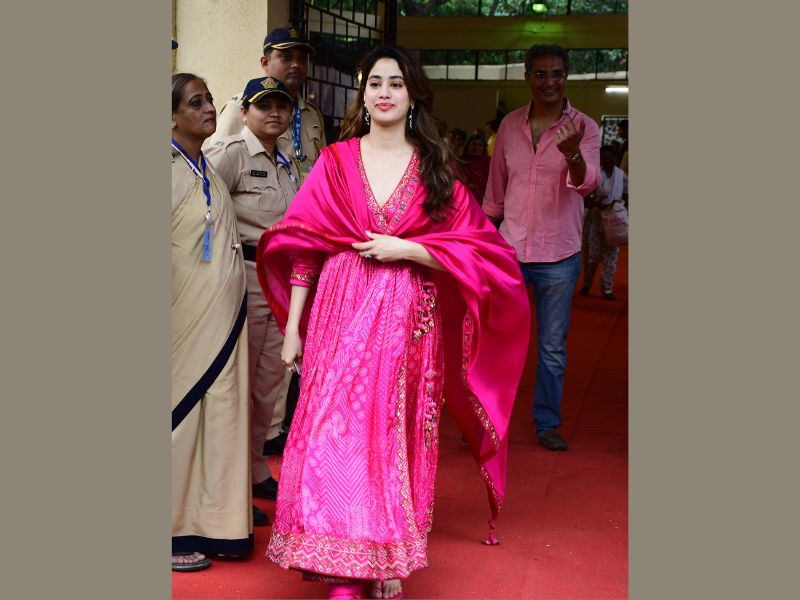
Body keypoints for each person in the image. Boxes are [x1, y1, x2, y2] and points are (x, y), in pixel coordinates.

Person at [256, 45, 530, 600]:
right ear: (364, 95)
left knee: (388, 435)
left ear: (413, 97)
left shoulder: (434, 169)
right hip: (339, 308)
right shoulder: (335, 160)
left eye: (396, 83)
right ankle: (342, 565)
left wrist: (410, 249)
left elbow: (482, 253)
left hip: (407, 317)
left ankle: (385, 555)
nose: (384, 92)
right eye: (376, 83)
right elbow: (307, 244)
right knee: (333, 429)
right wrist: (293, 329)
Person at [483, 44, 600, 452]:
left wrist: (573, 155)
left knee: (551, 347)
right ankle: (487, 418)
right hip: (510, 249)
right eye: (540, 74)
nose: (549, 81)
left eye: (557, 74)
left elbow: (587, 184)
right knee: (497, 340)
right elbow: (495, 190)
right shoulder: (509, 126)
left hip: (558, 255)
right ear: (527, 78)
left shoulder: (584, 127)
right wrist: (483, 241)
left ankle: (547, 422)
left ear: (566, 77)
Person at [206, 76, 301, 527]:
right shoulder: (230, 155)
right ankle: (228, 486)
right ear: (244, 112)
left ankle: (255, 467)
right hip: (243, 276)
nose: (274, 113)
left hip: (280, 281)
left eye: (281, 105)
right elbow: (200, 211)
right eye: (264, 106)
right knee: (238, 384)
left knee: (269, 383)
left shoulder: (288, 160)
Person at [171, 73, 252, 572]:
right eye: (195, 102)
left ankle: (216, 524)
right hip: (181, 322)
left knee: (221, 414)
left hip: (224, 317)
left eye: (208, 100)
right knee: (180, 418)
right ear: (170, 117)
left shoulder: (207, 168)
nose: (208, 108)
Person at [209, 26, 326, 183]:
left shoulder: (312, 114)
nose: (296, 64)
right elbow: (215, 174)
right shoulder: (240, 107)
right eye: (286, 57)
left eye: (302, 58)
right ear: (265, 63)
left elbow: (322, 169)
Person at [580, 145, 625, 300]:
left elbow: (627, 195)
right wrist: (596, 203)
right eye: (603, 158)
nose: (606, 161)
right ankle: (587, 284)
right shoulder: (595, 175)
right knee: (591, 255)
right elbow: (584, 198)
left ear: (615, 158)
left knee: (611, 257)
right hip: (595, 220)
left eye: (609, 158)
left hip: (614, 221)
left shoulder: (622, 176)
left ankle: (607, 289)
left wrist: (619, 205)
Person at [459, 134, 491, 206]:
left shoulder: (489, 162)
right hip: (465, 199)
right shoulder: (461, 162)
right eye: (473, 144)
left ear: (484, 147)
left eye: (480, 145)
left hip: (485, 199)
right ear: (468, 146)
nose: (476, 147)